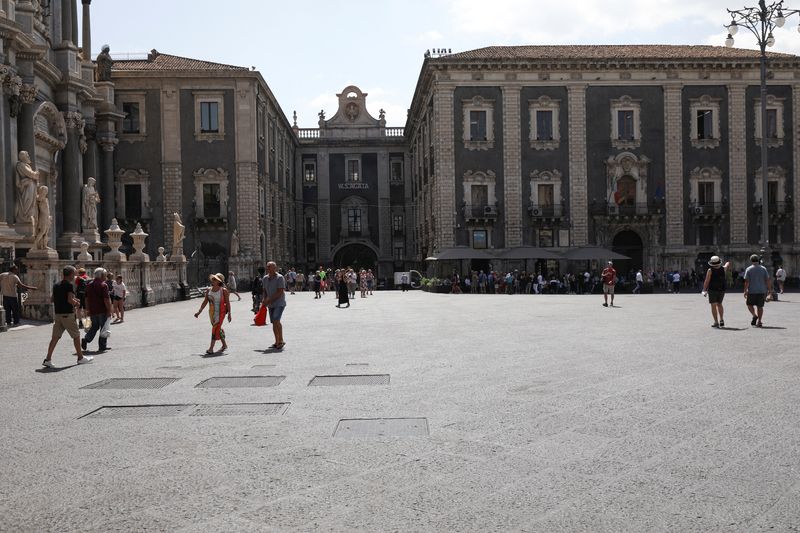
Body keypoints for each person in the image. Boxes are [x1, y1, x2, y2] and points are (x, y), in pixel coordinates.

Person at [44, 266, 93, 367]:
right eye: (74, 273)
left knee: (55, 338)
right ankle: (80, 357)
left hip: (58, 314)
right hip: (67, 314)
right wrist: (76, 303)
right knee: (76, 335)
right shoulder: (69, 285)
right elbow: (69, 300)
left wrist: (74, 300)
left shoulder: (56, 285)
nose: (75, 275)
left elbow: (52, 299)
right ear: (70, 274)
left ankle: (47, 359)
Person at [194, 273, 231, 353]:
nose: (213, 280)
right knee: (217, 328)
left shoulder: (223, 291)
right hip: (211, 313)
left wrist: (229, 314)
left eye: (215, 279)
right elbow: (205, 302)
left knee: (214, 329)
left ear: (219, 281)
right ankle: (224, 345)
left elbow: (228, 303)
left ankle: (211, 348)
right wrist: (199, 312)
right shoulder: (209, 290)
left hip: (220, 312)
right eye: (213, 279)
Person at [82, 267, 113, 352]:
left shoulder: (89, 284)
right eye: (105, 275)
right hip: (102, 310)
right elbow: (106, 299)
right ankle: (102, 346)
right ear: (102, 275)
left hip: (92, 310)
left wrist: (87, 309)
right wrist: (109, 310)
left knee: (94, 327)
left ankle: (86, 339)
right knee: (103, 328)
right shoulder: (103, 285)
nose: (106, 276)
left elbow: (86, 298)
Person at [262, 261, 286, 349]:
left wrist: (269, 300)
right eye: (267, 266)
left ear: (275, 268)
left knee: (276, 320)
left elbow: (280, 292)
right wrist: (264, 299)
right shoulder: (265, 278)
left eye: (270, 267)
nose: (268, 268)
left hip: (279, 303)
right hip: (270, 304)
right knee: (274, 322)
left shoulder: (280, 278)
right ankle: (276, 341)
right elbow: (264, 290)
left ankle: (281, 340)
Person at [744, 254, 772, 328]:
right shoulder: (763, 269)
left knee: (749, 304)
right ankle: (759, 321)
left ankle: (754, 315)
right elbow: (768, 280)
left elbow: (747, 281)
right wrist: (770, 291)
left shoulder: (749, 269)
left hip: (752, 290)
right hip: (762, 290)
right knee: (760, 306)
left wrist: (745, 290)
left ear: (751, 260)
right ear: (758, 260)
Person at [702, 256, 730, 328]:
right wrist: (727, 262)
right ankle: (721, 319)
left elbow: (707, 280)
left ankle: (716, 322)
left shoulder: (710, 270)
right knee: (719, 304)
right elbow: (727, 264)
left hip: (712, 289)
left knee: (713, 306)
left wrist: (704, 289)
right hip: (722, 289)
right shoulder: (723, 268)